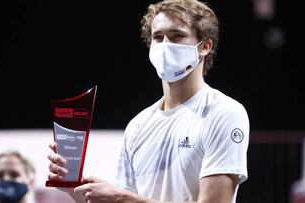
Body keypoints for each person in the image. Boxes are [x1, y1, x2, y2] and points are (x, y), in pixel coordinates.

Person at [47, 0, 250, 202]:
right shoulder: (138, 126)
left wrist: (123, 198)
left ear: (204, 46)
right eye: (158, 37)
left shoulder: (224, 113)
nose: (165, 45)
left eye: (177, 36)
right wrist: (74, 189)